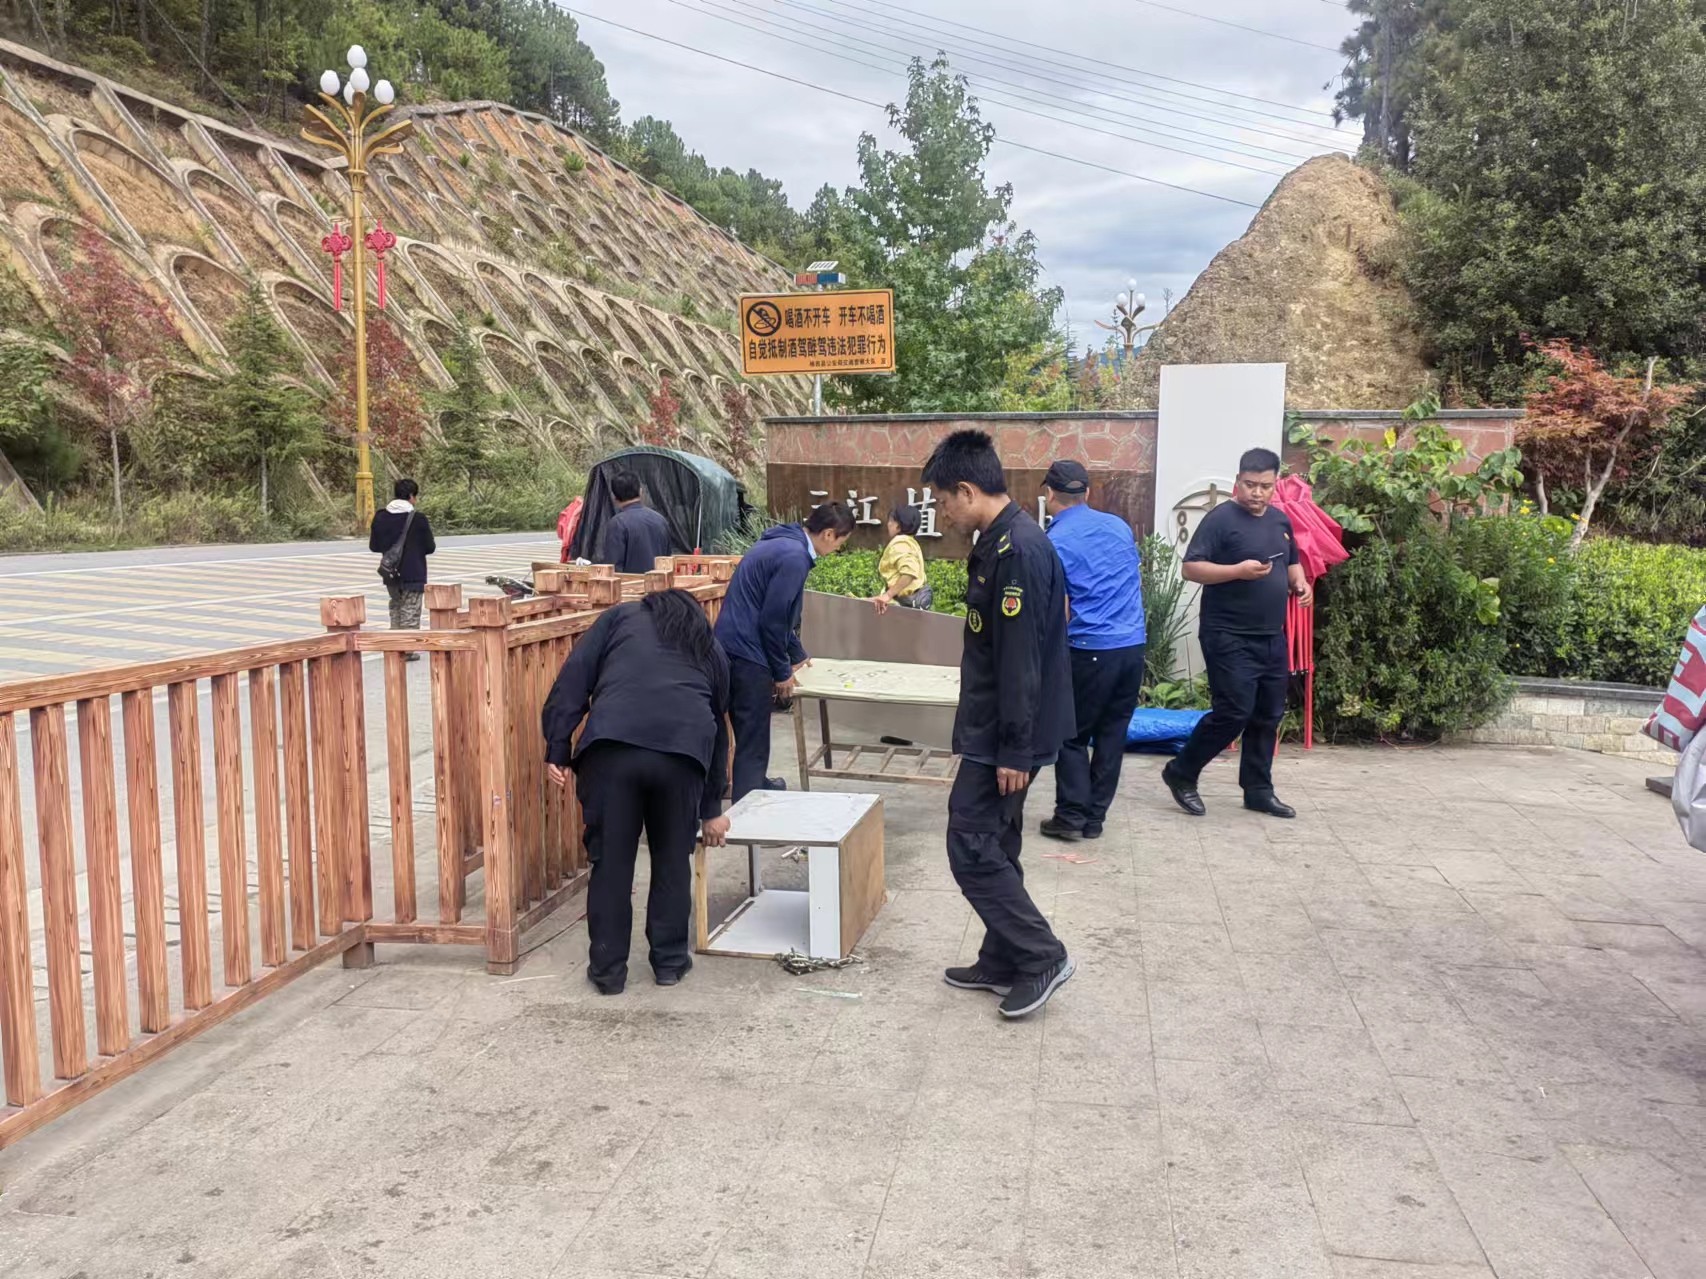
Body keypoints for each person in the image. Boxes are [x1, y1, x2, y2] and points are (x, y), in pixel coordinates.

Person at [923, 429, 1075, 1020]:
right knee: (997, 842)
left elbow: (1021, 661)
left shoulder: (1018, 551)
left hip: (1007, 735)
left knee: (970, 843)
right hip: (999, 727)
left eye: (943, 501)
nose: (942, 513)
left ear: (967, 490)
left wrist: (1014, 749)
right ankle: (1003, 957)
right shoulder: (1001, 542)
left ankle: (1041, 955)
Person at [542, 589, 732, 994]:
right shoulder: (705, 641)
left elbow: (573, 679)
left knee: (610, 864)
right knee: (671, 860)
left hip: (612, 752)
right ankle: (670, 964)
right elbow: (717, 726)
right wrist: (711, 807)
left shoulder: (619, 619)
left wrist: (558, 747)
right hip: (682, 757)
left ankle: (608, 973)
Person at [1161, 447, 1312, 820]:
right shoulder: (1220, 519)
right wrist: (1237, 571)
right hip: (1227, 633)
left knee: (1268, 713)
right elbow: (1191, 569)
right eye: (1250, 484)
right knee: (1234, 711)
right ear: (1238, 482)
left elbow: (1292, 562)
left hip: (1271, 635)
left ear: (1275, 485)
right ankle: (1181, 772)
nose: (1257, 493)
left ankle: (1258, 790)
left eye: (1265, 486)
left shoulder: (1279, 521)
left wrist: (1301, 583)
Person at [714, 504, 856, 801]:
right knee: (752, 736)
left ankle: (757, 783)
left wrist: (798, 654)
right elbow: (772, 620)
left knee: (748, 730)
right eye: (841, 542)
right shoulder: (795, 558)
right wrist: (782, 672)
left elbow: (775, 613)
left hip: (730, 645)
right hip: (746, 652)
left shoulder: (782, 543)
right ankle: (748, 805)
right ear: (829, 534)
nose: (838, 549)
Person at [1038, 460, 1147, 842]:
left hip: (1089, 648)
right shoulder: (1118, 526)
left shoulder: (1054, 540)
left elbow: (1057, 606)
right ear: (1086, 492)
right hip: (1132, 647)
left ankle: (1070, 816)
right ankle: (1094, 819)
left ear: (1049, 493)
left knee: (1070, 734)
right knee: (1112, 734)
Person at [369, 478, 436, 660]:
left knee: (396, 607)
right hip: (413, 572)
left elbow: (374, 546)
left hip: (390, 572)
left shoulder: (380, 516)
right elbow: (430, 547)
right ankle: (406, 650)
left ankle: (395, 648)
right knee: (410, 610)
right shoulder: (418, 519)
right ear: (411, 496)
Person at [595, 470, 674, 574]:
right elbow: (668, 558)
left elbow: (613, 567)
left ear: (615, 498)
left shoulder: (617, 524)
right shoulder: (660, 520)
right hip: (660, 583)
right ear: (641, 492)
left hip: (629, 584)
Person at [871, 505, 933, 614]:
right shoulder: (910, 542)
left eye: (891, 520)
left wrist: (888, 595)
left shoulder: (901, 544)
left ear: (898, 526)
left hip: (902, 606)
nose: (888, 524)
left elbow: (909, 572)